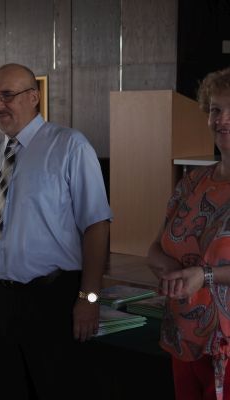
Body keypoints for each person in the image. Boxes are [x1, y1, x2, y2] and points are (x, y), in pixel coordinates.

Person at [0, 63, 112, 400]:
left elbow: (97, 225)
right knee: (5, 390)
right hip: (0, 299)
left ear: (33, 97)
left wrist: (89, 298)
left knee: (54, 389)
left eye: (7, 95)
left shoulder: (69, 146)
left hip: (53, 298)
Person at [148, 66, 230, 400]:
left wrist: (204, 276)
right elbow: (155, 248)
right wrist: (172, 273)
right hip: (183, 338)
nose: (222, 120)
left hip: (226, 347)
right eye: (215, 110)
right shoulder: (192, 182)